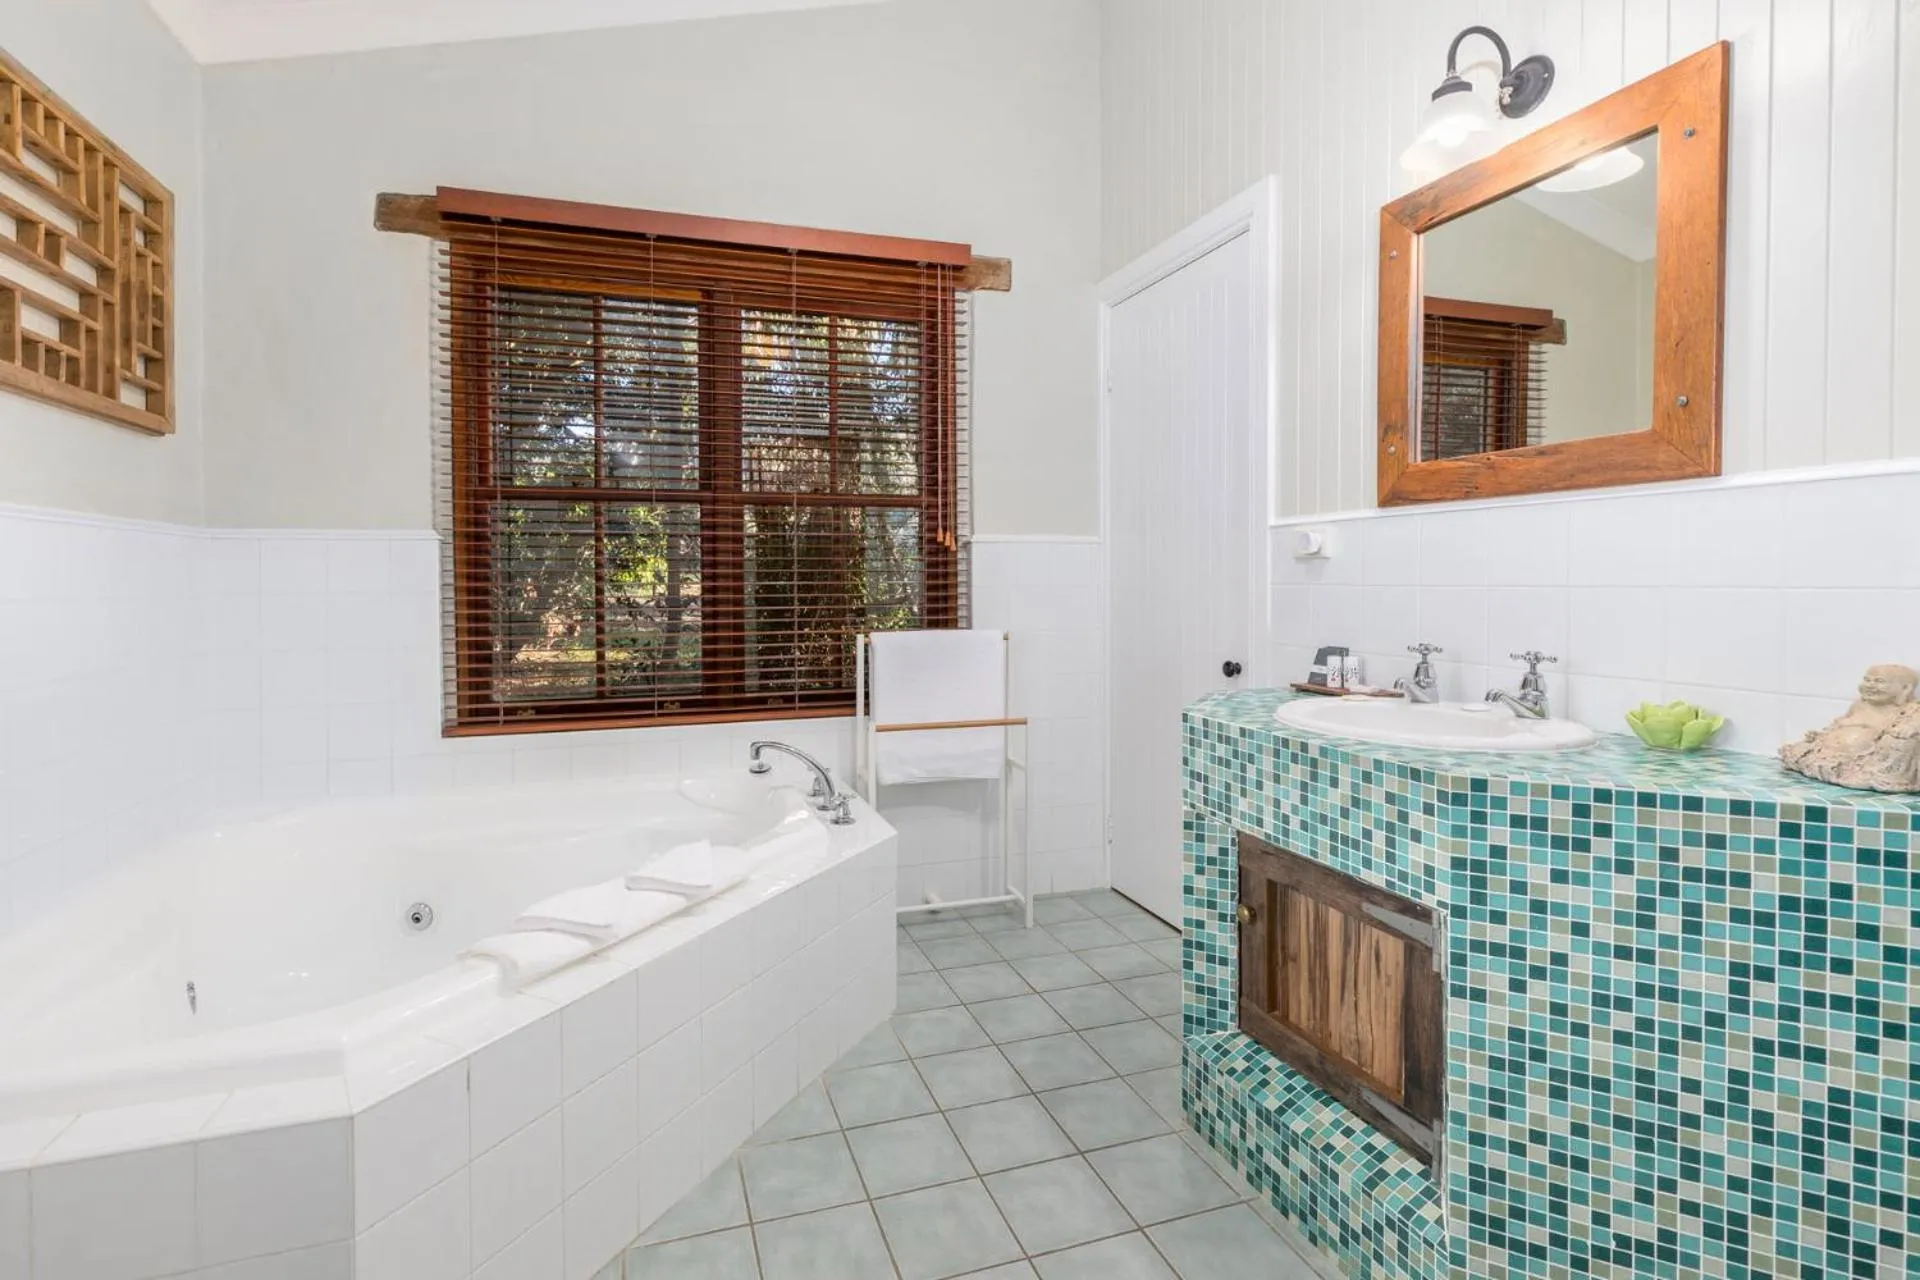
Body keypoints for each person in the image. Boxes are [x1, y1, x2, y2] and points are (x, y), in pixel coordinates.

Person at [1779, 664, 1920, 793]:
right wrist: (1821, 735)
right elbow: (1840, 723)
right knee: (1798, 752)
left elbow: (1914, 725)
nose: (1870, 685)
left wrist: (1909, 728)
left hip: (1863, 756)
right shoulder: (1859, 705)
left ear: (1905, 688)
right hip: (1833, 752)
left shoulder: (1909, 711)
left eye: (1879, 681)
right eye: (1867, 680)